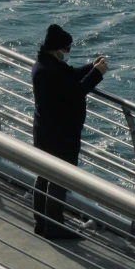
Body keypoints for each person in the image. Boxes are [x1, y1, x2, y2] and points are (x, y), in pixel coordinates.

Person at [31, 24, 108, 239]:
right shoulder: (50, 71)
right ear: (56, 48)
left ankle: (41, 222)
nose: (66, 53)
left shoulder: (44, 65)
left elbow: (71, 75)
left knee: (44, 176)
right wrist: (97, 74)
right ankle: (54, 227)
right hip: (60, 136)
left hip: (45, 132)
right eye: (65, 49)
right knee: (59, 180)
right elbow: (76, 92)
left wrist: (91, 67)